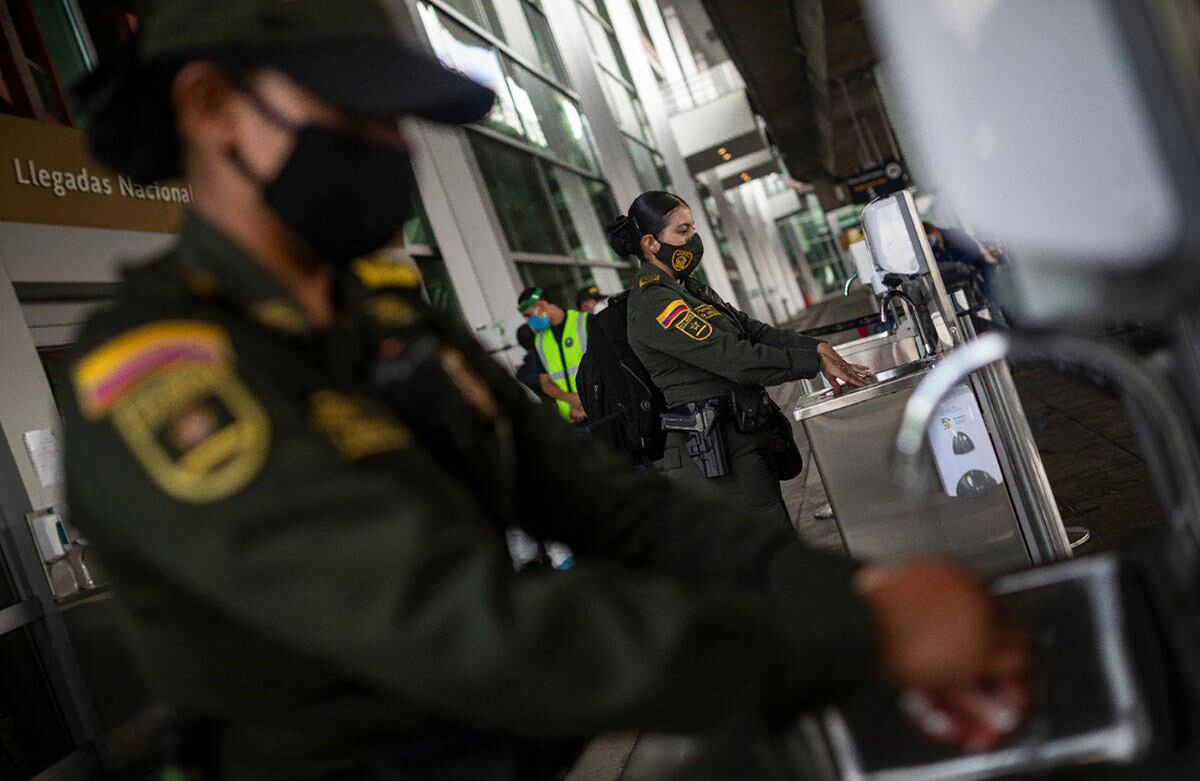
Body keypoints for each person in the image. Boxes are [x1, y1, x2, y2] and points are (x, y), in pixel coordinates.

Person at [63, 3, 1029, 779]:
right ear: (212, 109)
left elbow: (608, 503)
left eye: (393, 117)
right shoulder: (166, 377)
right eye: (352, 111)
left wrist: (851, 588)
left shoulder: (389, 321)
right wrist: (851, 638)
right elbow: (457, 630)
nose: (388, 145)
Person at [615, 192, 875, 531]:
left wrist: (817, 346)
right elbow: (735, 358)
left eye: (692, 228)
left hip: (738, 436)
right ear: (650, 243)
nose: (693, 239)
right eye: (682, 231)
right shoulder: (654, 303)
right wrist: (812, 362)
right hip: (710, 454)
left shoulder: (690, 289)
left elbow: (753, 332)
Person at [517, 287, 588, 423]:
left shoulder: (585, 322)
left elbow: (606, 367)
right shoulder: (540, 341)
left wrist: (586, 401)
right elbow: (545, 383)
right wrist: (571, 399)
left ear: (541, 305)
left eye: (528, 315)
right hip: (572, 419)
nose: (528, 322)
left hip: (602, 412)